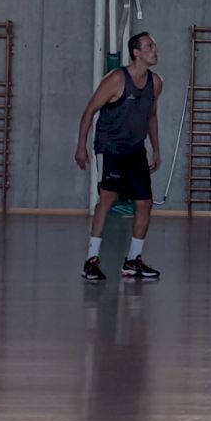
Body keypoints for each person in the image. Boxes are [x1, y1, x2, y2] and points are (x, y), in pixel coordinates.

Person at [74, 31, 163, 282]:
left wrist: (156, 149)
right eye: (149, 46)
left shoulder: (155, 83)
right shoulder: (117, 79)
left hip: (136, 150)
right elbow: (90, 110)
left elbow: (151, 116)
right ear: (136, 52)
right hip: (111, 148)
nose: (155, 50)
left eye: (155, 46)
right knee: (107, 199)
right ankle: (91, 260)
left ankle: (133, 261)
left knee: (145, 203)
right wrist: (81, 146)